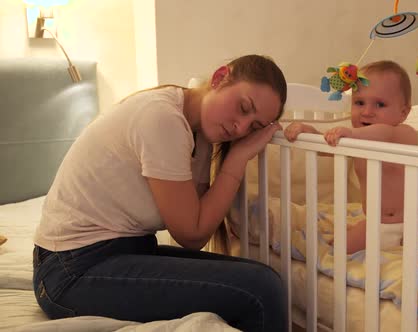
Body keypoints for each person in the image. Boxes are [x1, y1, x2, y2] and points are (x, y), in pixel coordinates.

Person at [33, 54, 288, 332]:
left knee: (263, 279)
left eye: (254, 127)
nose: (240, 127)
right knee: (261, 291)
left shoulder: (198, 134)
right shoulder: (162, 117)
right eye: (243, 107)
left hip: (122, 253)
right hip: (72, 271)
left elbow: (197, 224)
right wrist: (238, 158)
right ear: (218, 78)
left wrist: (293, 133)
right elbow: (192, 234)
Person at [284, 60, 418, 254]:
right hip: (376, 224)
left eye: (380, 104)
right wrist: (307, 131)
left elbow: (385, 133)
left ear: (403, 112)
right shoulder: (356, 140)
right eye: (359, 103)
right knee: (339, 248)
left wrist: (350, 134)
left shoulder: (404, 134)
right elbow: (326, 148)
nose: (367, 112)